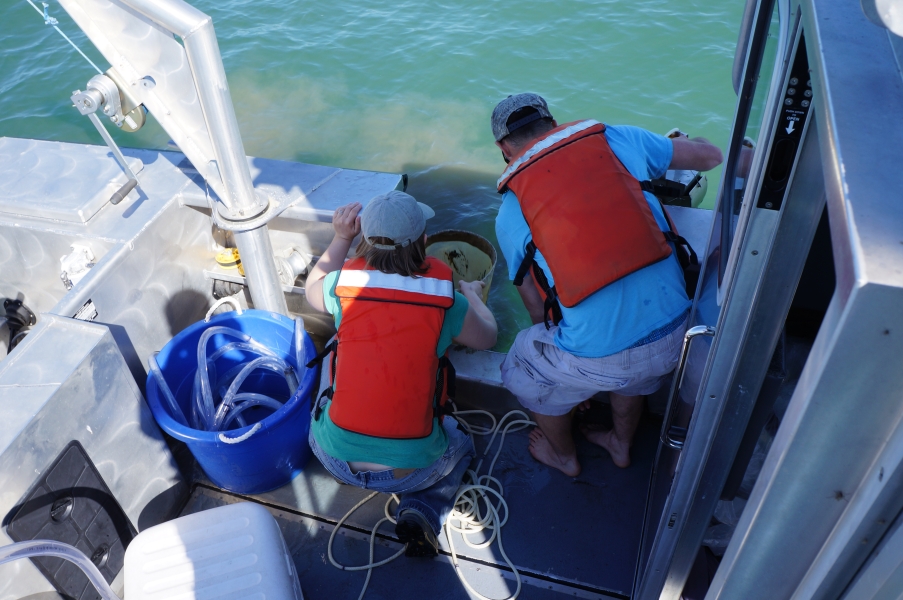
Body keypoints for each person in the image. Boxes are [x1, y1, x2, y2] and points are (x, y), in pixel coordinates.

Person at [490, 93, 723, 476]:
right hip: (680, 335)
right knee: (635, 369)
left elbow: (537, 308)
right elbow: (711, 158)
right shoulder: (616, 138)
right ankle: (620, 444)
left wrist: (568, 378)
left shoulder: (511, 211)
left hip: (601, 358)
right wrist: (695, 144)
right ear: (552, 123)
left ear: (504, 148)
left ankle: (563, 456)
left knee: (521, 366)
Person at [305, 190, 498, 557]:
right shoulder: (447, 303)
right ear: (424, 242)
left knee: (335, 352)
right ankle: (424, 507)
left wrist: (341, 237)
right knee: (459, 442)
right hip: (410, 472)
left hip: (332, 457)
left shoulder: (339, 287)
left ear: (363, 240)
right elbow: (486, 337)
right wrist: (471, 295)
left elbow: (311, 287)